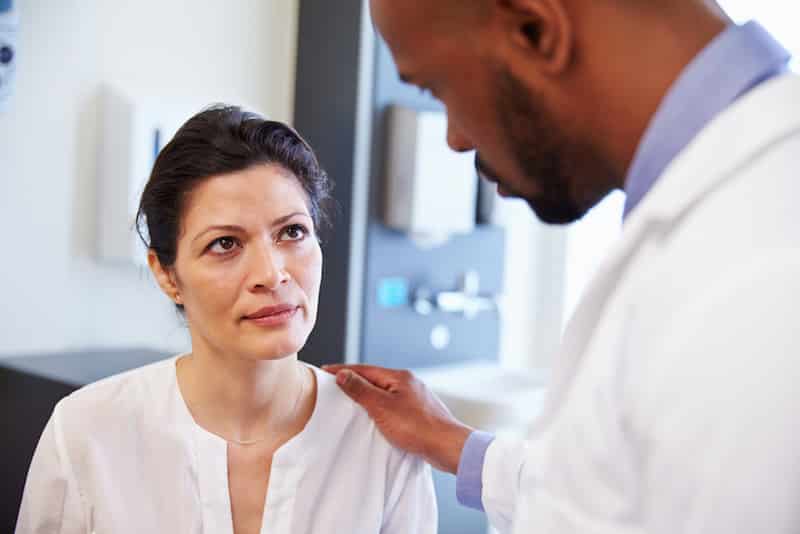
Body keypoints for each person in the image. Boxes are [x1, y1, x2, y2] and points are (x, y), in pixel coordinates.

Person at [325, 1, 800, 532]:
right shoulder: (717, 220)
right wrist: (453, 444)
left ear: (536, 31)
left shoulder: (761, 269)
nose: (455, 139)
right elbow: (613, 492)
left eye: (437, 87)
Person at [16, 106, 437, 534]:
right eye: (225, 243)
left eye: (292, 232)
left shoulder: (382, 442)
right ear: (166, 274)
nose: (272, 274)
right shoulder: (87, 432)